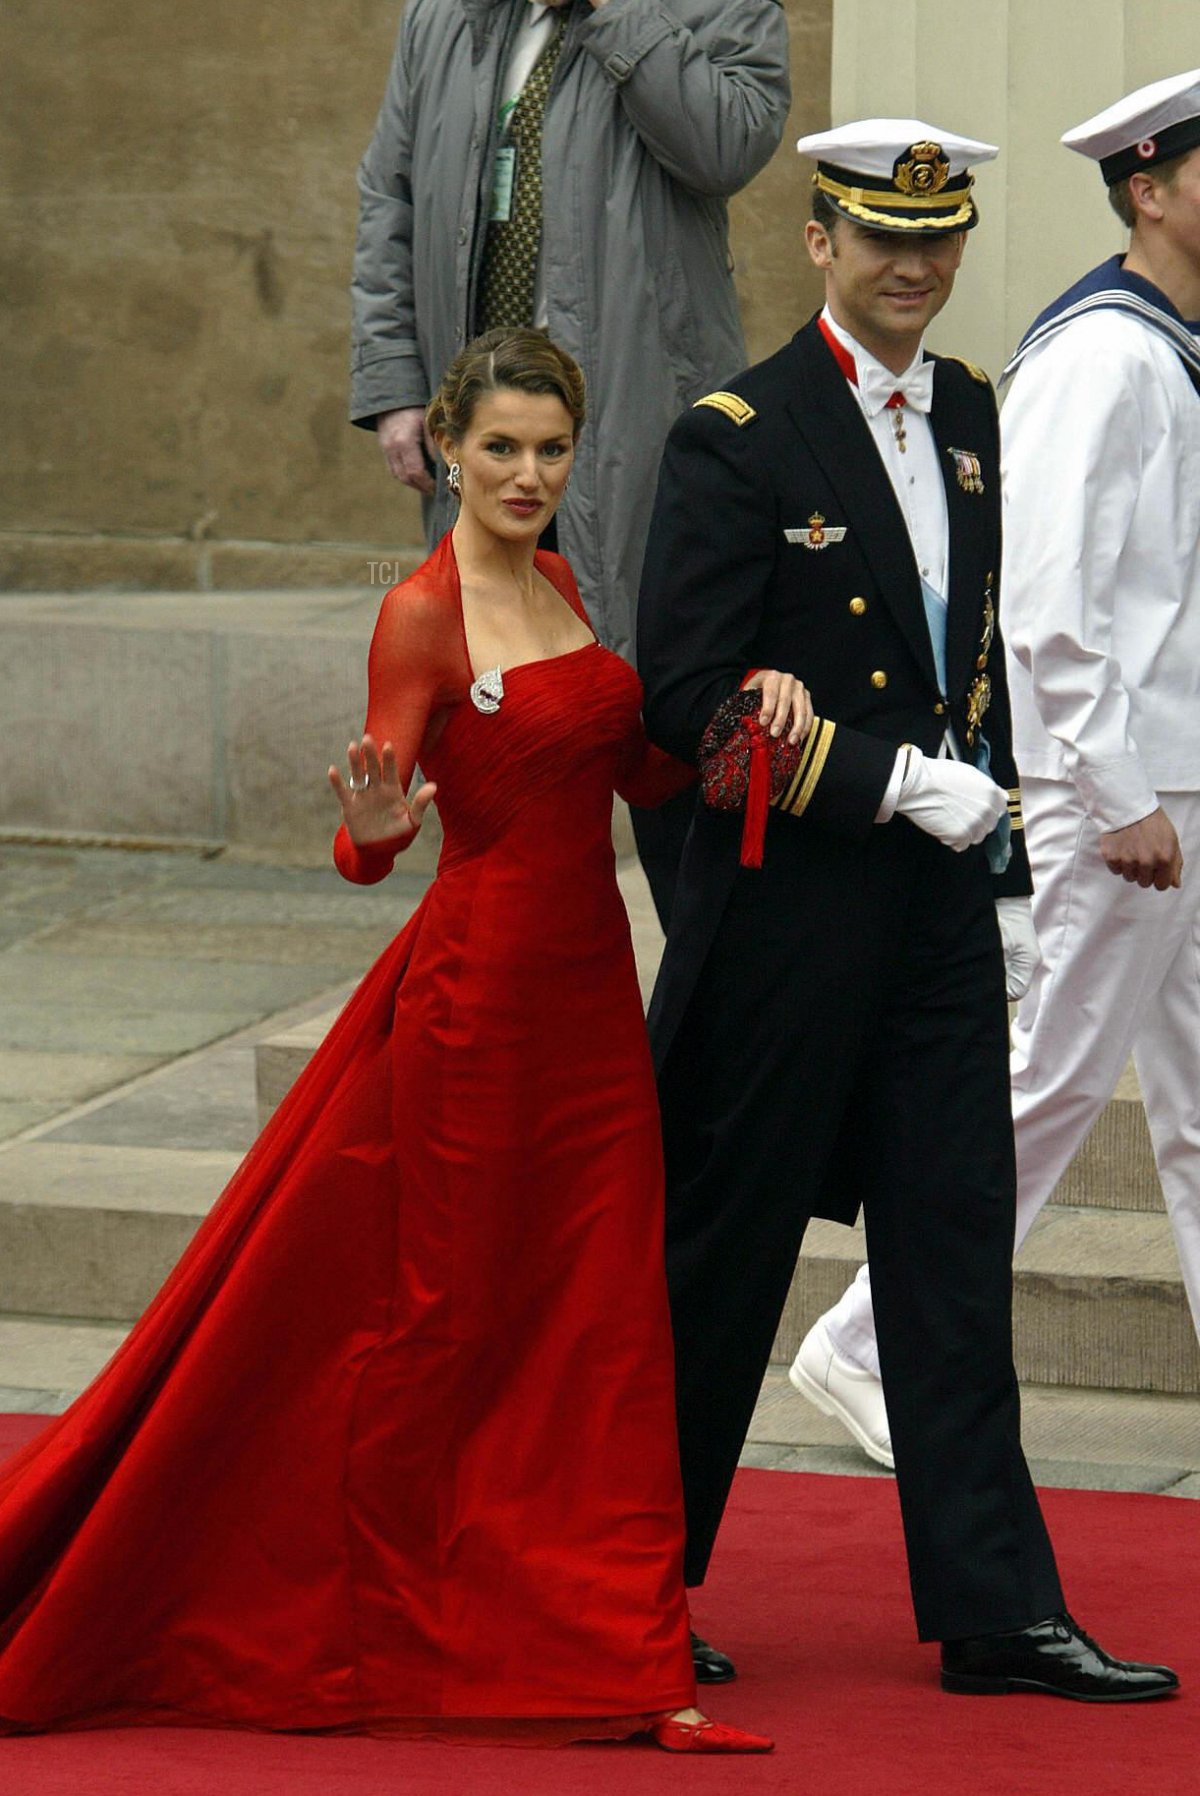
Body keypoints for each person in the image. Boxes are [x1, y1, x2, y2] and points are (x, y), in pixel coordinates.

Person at [0, 329, 779, 1753]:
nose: (529, 474)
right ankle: (415, 1622)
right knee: (448, 1322)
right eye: (502, 449)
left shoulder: (556, 580)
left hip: (593, 1009)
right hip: (475, 1012)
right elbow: (376, 829)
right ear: (451, 449)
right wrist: (368, 837)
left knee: (603, 1322)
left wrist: (742, 723)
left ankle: (624, 1651)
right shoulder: (422, 614)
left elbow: (640, 767)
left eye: (551, 448)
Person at [637, 119, 1180, 1703]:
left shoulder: (969, 412)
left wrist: (999, 849)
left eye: (938, 240)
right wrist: (883, 780)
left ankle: (997, 1610)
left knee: (955, 1257)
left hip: (940, 917)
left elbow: (986, 651)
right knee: (720, 1274)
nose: (915, 266)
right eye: (884, 236)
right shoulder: (738, 432)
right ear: (819, 242)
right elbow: (685, 700)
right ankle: (633, 1584)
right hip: (787, 926)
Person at [794, 69, 1200, 1473]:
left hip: (1175, 774)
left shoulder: (1170, 344)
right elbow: (1046, 604)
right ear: (1148, 189)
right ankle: (861, 1342)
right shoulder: (1106, 354)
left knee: (1186, 1101)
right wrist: (1112, 789)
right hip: (1134, 791)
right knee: (1049, 1083)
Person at [350, 0, 791, 924]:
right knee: (497, 736)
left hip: (644, 430)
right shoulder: (449, 15)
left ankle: (706, 1018)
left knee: (664, 711)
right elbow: (390, 192)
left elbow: (728, 145)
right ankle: (518, 975)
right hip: (488, 437)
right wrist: (397, 383)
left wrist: (617, 12)